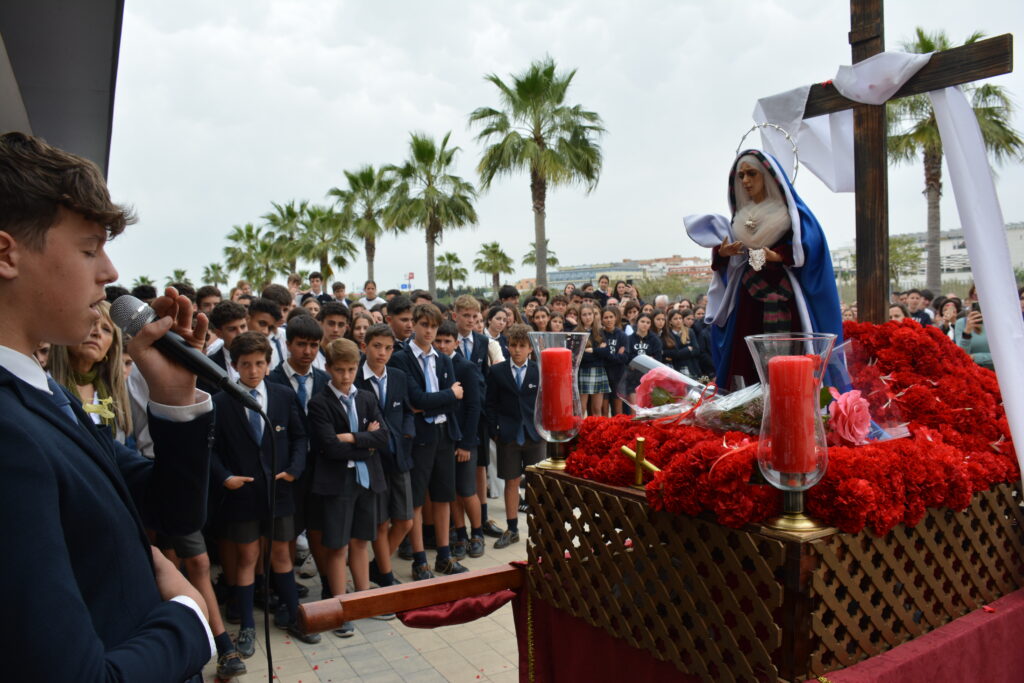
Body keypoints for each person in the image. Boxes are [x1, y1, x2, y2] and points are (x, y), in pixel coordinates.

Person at [0, 131, 215, 681]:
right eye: (89, 248)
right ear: (7, 254)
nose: (111, 273)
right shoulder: (9, 434)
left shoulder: (42, 392)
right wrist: (190, 618)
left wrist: (173, 400)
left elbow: (168, 512)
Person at [685, 149, 843, 390]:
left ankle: (794, 398)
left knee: (792, 353)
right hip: (749, 295)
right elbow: (730, 257)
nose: (746, 181)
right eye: (741, 176)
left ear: (767, 177)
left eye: (751, 174)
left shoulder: (792, 214)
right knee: (744, 353)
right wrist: (723, 253)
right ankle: (748, 405)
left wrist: (780, 255)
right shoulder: (740, 217)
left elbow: (812, 247)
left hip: (786, 296)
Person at [211, 332, 318, 655]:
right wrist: (225, 477)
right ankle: (245, 626)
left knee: (282, 554)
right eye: (246, 364)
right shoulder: (222, 401)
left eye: (259, 363)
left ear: (268, 363)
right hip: (242, 494)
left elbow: (301, 437)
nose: (253, 370)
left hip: (280, 491)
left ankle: (293, 614)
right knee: (247, 557)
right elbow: (211, 450)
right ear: (234, 366)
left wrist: (296, 469)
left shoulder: (283, 395)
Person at [307, 338, 390, 637]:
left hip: (366, 480)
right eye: (339, 370)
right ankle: (341, 607)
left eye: (351, 369)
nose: (345, 376)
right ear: (327, 368)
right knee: (338, 544)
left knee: (360, 540)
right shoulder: (319, 403)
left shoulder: (366, 397)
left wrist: (352, 438)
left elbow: (383, 438)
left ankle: (363, 601)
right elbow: (329, 447)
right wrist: (365, 442)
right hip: (337, 484)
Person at [389, 304, 466, 579]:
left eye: (433, 325)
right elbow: (415, 401)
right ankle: (420, 560)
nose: (429, 331)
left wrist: (438, 401)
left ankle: (444, 556)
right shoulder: (400, 359)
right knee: (418, 500)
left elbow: (454, 403)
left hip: (443, 435)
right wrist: (447, 396)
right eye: (424, 325)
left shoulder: (443, 359)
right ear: (414, 325)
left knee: (444, 496)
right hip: (418, 439)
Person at [355, 325, 415, 592]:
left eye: (388, 347)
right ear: (364, 346)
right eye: (377, 346)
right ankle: (386, 574)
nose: (382, 352)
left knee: (405, 520)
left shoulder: (399, 376)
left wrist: (407, 434)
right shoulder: (354, 377)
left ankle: (377, 567)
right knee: (380, 522)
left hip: (398, 455)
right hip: (370, 459)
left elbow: (409, 411)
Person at [485, 324, 543, 549]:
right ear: (507, 346)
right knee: (511, 482)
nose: (517, 350)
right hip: (507, 435)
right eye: (513, 345)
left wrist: (544, 428)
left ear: (531, 348)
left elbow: (545, 401)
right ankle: (512, 529)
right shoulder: (497, 371)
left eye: (522, 346)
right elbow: (490, 403)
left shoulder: (539, 370)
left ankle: (539, 528)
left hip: (534, 434)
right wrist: (495, 431)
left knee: (536, 484)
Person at [435, 321, 486, 560]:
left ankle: (477, 532)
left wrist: (467, 443)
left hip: (465, 438)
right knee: (451, 491)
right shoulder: (433, 364)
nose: (442, 345)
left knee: (467, 490)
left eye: (447, 341)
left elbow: (474, 406)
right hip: (444, 439)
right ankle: (460, 533)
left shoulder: (465, 367)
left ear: (457, 343)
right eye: (439, 341)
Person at [48, 300, 133, 443]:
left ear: (112, 347)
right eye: (91, 323)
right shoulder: (43, 385)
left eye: (106, 329)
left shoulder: (114, 392)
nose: (97, 333)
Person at [577, 304, 611, 417]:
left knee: (597, 408)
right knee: (581, 409)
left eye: (590, 314)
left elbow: (606, 352)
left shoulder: (600, 331)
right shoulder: (577, 332)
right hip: (583, 372)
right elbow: (580, 357)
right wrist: (598, 351)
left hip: (598, 371)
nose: (588, 317)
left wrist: (592, 350)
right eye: (584, 315)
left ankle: (596, 433)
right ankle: (579, 434)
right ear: (580, 317)